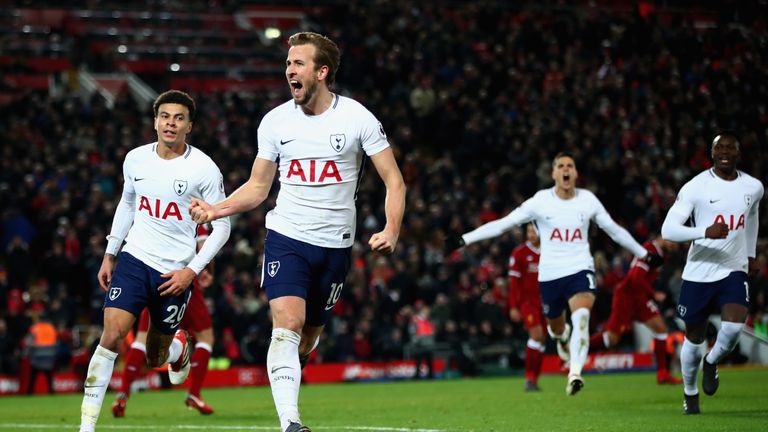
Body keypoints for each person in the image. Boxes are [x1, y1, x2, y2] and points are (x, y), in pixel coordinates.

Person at [188, 31, 405, 432]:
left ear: (322, 72)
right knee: (286, 324)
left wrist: (391, 229)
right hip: (287, 238)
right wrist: (215, 209)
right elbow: (258, 187)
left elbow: (394, 181)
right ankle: (291, 422)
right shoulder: (275, 121)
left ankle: (293, 370)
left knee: (306, 337)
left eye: (298, 63)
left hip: (335, 247)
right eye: (288, 64)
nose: (290, 70)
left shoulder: (357, 118)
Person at [446, 152, 661, 396]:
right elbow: (503, 224)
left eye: (570, 165)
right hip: (550, 276)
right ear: (553, 174)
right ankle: (561, 338)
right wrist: (465, 239)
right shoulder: (540, 201)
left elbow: (614, 230)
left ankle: (575, 373)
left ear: (576, 173)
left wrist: (644, 254)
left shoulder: (588, 200)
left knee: (581, 318)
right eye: (560, 166)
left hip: (580, 269)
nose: (566, 169)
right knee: (557, 329)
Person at [79, 90, 231, 432]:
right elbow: (127, 204)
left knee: (155, 357)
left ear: (189, 125)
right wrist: (111, 252)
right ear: (155, 121)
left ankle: (178, 349)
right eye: (165, 116)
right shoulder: (135, 159)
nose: (170, 123)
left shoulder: (204, 168)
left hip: (173, 272)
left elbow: (223, 227)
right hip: (134, 259)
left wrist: (191, 271)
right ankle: (86, 426)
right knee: (112, 336)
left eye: (178, 118)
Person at [661, 132, 763, 415]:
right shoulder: (696, 187)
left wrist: (751, 254)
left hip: (733, 268)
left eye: (731, 147)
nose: (725, 152)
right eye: (720, 148)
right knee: (693, 337)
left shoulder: (754, 187)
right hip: (698, 273)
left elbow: (752, 215)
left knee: (732, 328)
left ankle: (712, 360)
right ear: (712, 153)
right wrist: (704, 231)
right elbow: (668, 230)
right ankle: (690, 393)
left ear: (739, 153)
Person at [112, 224, 218, 417]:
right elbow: (202, 245)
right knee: (206, 338)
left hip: (154, 276)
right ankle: (194, 393)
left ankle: (122, 394)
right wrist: (207, 270)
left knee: (141, 340)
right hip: (185, 280)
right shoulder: (194, 208)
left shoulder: (156, 205)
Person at [588, 235, 683, 385]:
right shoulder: (649, 250)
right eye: (672, 241)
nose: (674, 245)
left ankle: (662, 374)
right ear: (661, 237)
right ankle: (576, 351)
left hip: (639, 298)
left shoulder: (659, 252)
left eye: (676, 243)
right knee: (611, 338)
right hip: (627, 296)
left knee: (661, 330)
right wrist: (654, 294)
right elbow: (635, 277)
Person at [507, 224, 544, 392]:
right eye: (529, 231)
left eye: (534, 230)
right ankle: (529, 378)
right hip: (528, 303)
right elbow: (514, 284)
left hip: (547, 301)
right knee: (536, 336)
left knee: (542, 340)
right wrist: (513, 306)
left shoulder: (551, 251)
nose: (531, 234)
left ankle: (534, 379)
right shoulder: (520, 253)